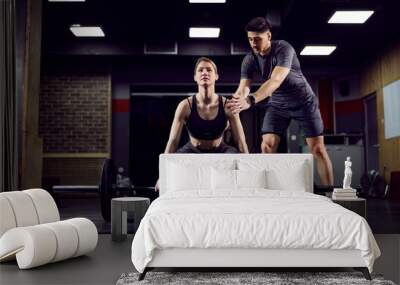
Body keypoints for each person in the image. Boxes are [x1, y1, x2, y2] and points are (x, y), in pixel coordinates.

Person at [227, 17, 333, 186]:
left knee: (317, 149)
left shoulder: (284, 49)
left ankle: (331, 193)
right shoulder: (249, 59)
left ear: (268, 36)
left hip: (303, 102)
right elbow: (243, 88)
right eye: (250, 39)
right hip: (277, 105)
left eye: (257, 39)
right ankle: (268, 189)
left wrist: (251, 99)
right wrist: (236, 102)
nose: (253, 43)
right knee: (267, 146)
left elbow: (275, 81)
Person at [155, 57, 249, 191]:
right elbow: (173, 141)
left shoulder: (228, 106)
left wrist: (249, 173)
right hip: (192, 150)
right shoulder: (185, 106)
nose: (205, 72)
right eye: (200, 70)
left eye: (209, 70)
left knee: (236, 158)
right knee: (174, 163)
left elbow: (240, 141)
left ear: (216, 76)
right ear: (195, 77)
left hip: (220, 150)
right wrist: (162, 176)